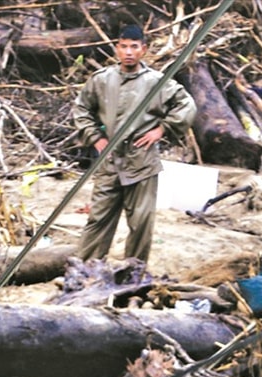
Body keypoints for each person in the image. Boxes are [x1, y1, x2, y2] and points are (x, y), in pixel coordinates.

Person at [71, 22, 195, 266]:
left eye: (134, 47)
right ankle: (83, 271)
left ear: (143, 49)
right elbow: (81, 108)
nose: (128, 52)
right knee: (98, 219)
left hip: (142, 162)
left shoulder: (158, 81)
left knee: (140, 222)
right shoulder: (102, 80)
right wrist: (96, 138)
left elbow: (186, 105)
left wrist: (162, 129)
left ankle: (133, 275)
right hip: (109, 162)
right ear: (117, 49)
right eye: (123, 46)